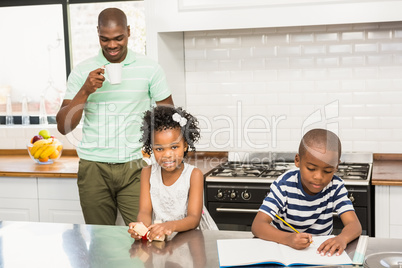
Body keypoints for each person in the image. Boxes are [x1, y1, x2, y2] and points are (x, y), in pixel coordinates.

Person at [56, 7, 173, 225]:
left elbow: (168, 118)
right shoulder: (83, 71)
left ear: (128, 32)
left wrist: (163, 156)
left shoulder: (150, 68)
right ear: (98, 33)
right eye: (104, 39)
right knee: (101, 241)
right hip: (93, 168)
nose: (112, 45)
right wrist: (85, 91)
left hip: (136, 166)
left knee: (143, 237)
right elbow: (64, 127)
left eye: (118, 38)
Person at [252, 128, 362, 257]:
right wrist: (288, 239)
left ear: (336, 166)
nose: (318, 177)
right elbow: (258, 225)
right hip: (285, 250)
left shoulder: (335, 186)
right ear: (298, 160)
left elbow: (354, 225)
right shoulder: (284, 185)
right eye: (311, 168)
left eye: (327, 171)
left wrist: (342, 239)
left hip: (321, 254)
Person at [128, 106, 217, 242]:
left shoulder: (194, 175)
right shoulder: (147, 173)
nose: (167, 155)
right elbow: (145, 211)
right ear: (151, 148)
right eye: (159, 149)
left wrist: (170, 226)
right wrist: (142, 227)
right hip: (160, 236)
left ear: (185, 145)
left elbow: (193, 219)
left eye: (174, 147)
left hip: (191, 239)